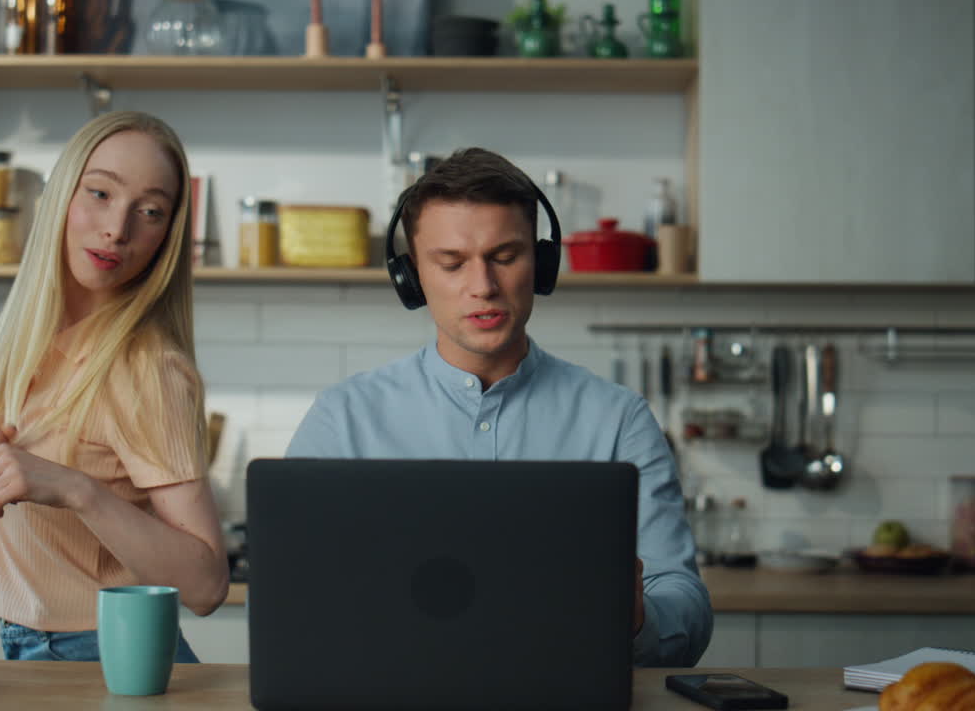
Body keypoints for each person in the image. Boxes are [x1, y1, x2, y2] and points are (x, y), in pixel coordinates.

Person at [287, 147, 713, 667]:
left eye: (505, 257)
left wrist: (638, 617)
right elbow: (291, 596)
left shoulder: (618, 420)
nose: (483, 286)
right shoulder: (343, 419)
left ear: (541, 265)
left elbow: (686, 608)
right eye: (451, 263)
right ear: (412, 276)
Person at [0, 111, 228, 662]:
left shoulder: (145, 367)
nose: (118, 228)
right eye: (100, 193)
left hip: (102, 654)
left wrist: (78, 490)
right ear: (61, 196)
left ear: (166, 237)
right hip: (30, 646)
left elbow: (207, 584)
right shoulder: (19, 341)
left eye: (150, 212)